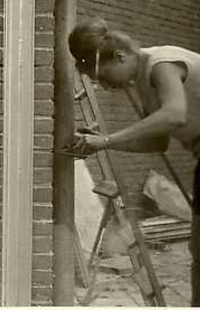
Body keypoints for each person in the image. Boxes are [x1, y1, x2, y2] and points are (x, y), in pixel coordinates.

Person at [68, 17, 200, 306]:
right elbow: (157, 142)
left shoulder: (162, 64)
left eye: (103, 77)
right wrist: (102, 141)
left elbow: (174, 114)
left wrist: (106, 141)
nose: (104, 86)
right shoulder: (140, 80)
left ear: (121, 56)